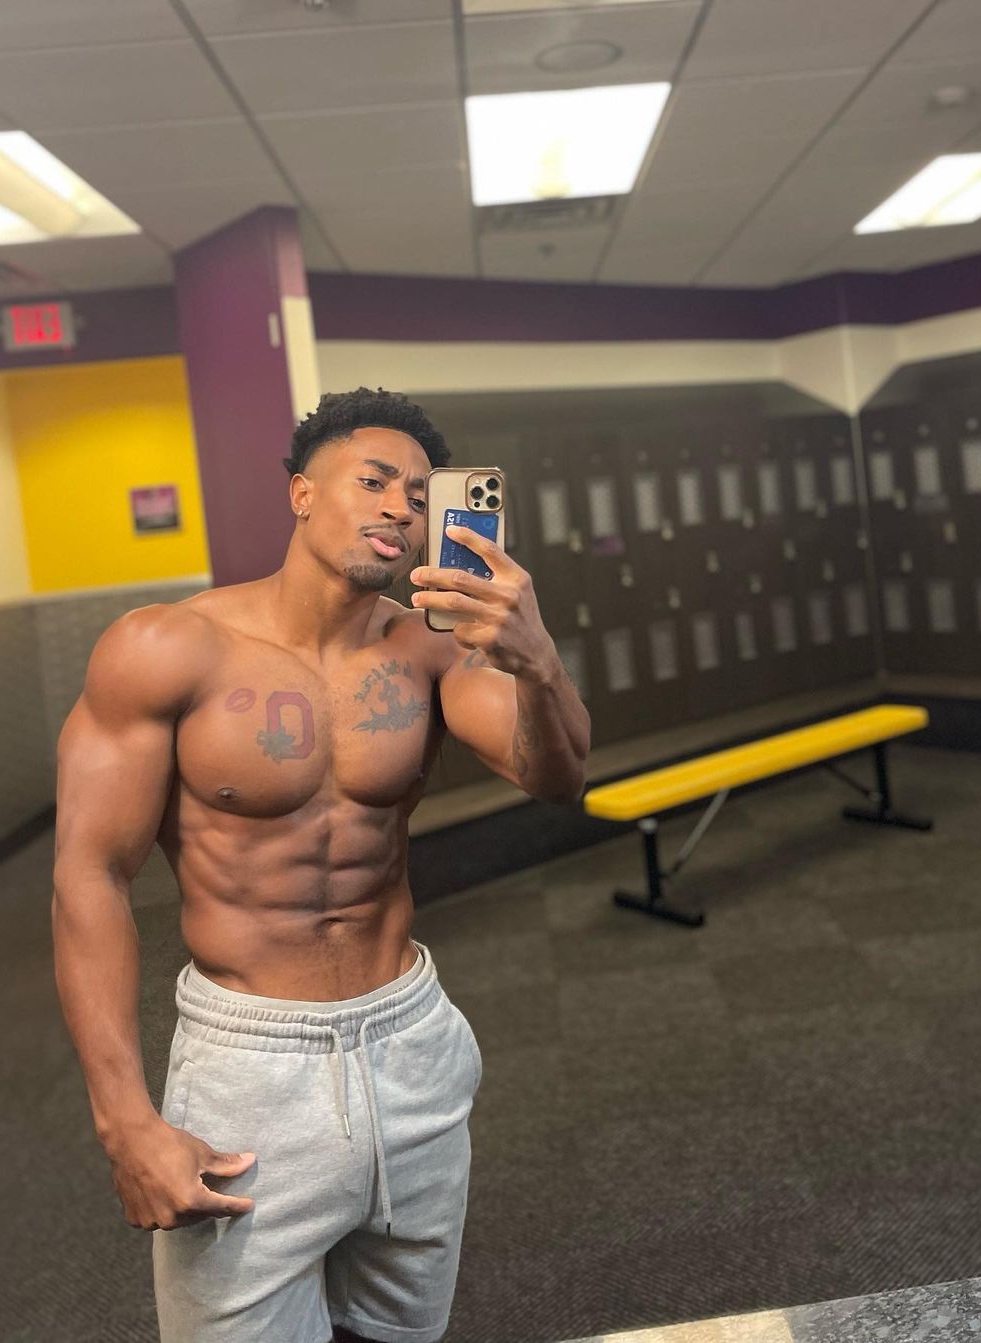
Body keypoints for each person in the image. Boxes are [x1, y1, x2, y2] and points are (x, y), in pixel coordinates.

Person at [51, 387, 590, 1343]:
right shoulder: (166, 648)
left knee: (398, 1333)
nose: (399, 508)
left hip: (410, 1044)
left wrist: (537, 659)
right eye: (373, 481)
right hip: (250, 1067)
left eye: (419, 495)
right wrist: (124, 1120)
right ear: (302, 493)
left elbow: (556, 776)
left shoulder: (429, 647)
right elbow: (88, 877)